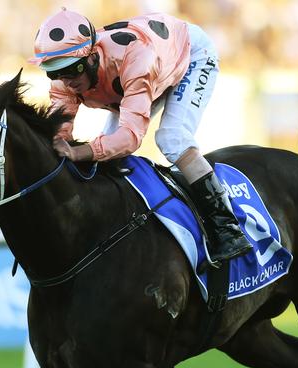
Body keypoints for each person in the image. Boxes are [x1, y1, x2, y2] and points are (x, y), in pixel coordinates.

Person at [29, 8, 252, 265]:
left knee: (172, 138)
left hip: (189, 56)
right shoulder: (64, 80)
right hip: (145, 70)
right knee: (105, 151)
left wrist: (80, 151)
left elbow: (131, 137)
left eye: (72, 69)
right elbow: (60, 136)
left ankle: (227, 228)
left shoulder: (135, 56)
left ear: (91, 57)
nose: (65, 81)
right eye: (54, 72)